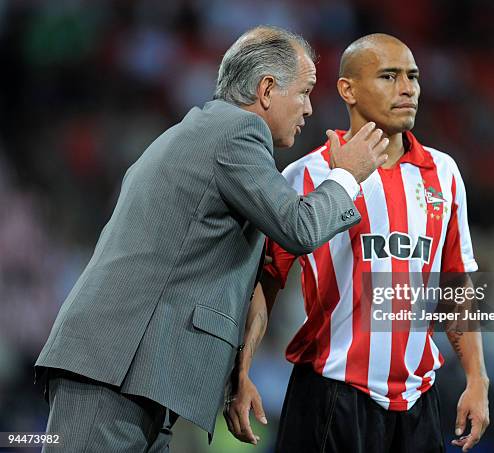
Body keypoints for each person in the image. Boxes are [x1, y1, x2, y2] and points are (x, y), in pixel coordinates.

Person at [34, 26, 390, 452]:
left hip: (127, 373)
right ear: (266, 89)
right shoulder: (238, 133)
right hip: (113, 372)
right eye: (305, 91)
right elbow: (299, 228)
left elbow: (211, 270)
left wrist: (234, 376)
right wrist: (347, 174)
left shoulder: (204, 132)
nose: (310, 108)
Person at [225, 34, 490, 452]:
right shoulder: (306, 175)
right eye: (389, 76)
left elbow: (457, 284)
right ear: (347, 89)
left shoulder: (444, 173)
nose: (407, 89)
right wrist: (241, 372)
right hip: (332, 395)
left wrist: (477, 379)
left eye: (413, 77)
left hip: (420, 403)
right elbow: (266, 282)